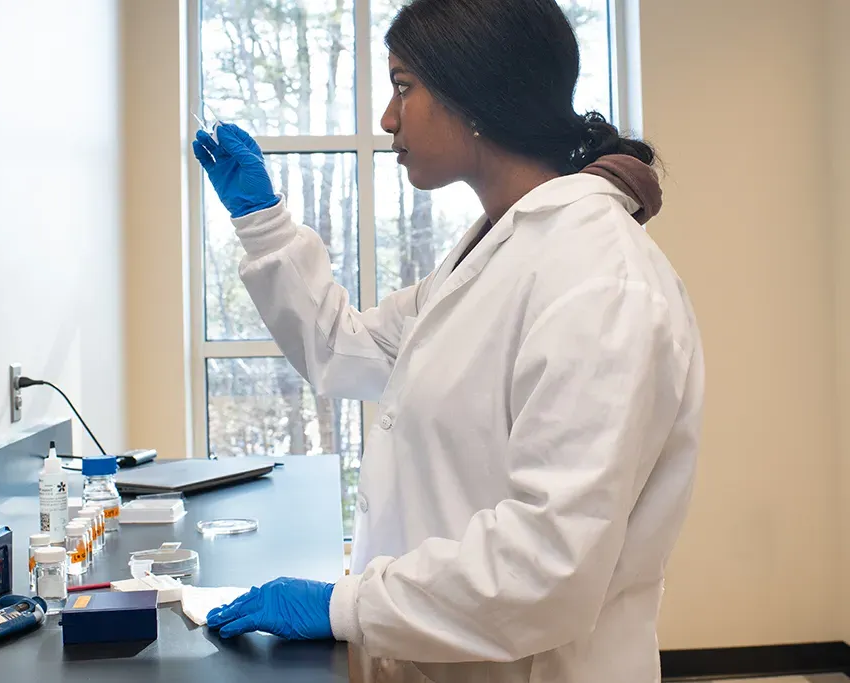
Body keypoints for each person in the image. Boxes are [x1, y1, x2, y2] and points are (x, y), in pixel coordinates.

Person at [191, 0, 704, 681]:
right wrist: (263, 224)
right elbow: (346, 348)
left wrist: (346, 606)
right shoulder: (497, 248)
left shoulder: (599, 282)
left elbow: (547, 564)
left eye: (404, 86)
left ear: (474, 92)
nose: (387, 119)